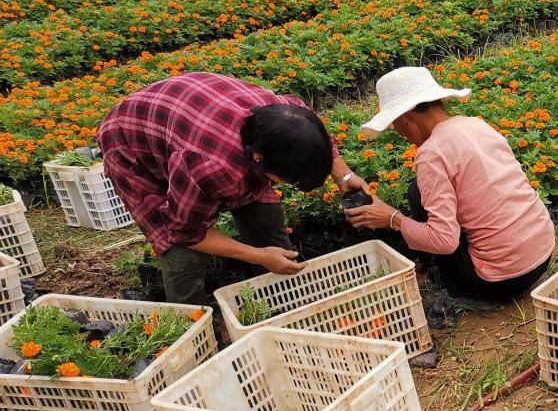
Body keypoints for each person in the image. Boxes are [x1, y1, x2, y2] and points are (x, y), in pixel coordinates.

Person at [98, 72, 369, 306]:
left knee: (266, 220)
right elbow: (187, 232)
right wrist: (259, 255)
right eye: (286, 179)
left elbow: (316, 143)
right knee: (183, 255)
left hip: (192, 109)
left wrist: (345, 177)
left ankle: (280, 302)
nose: (285, 185)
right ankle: (191, 325)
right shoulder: (211, 167)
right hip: (131, 139)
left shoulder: (289, 115)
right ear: (258, 158)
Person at [346, 67, 555, 303]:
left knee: (416, 194)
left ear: (405, 119)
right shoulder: (476, 125)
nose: (401, 134)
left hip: (503, 280)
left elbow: (444, 241)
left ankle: (454, 287)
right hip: (542, 254)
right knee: (423, 191)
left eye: (396, 127)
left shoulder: (431, 153)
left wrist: (392, 218)